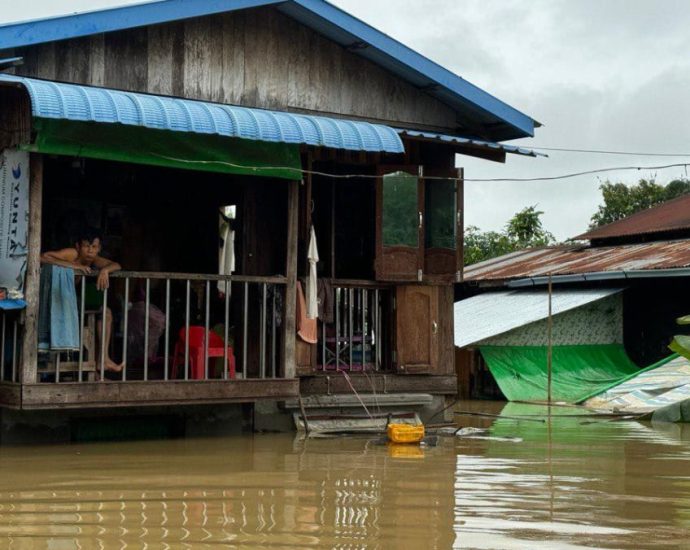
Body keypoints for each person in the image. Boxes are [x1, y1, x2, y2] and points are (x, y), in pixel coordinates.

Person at [40, 229, 123, 372]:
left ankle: (103, 359)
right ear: (78, 247)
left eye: (94, 247)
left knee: (106, 313)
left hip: (71, 301)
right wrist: (75, 266)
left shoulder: (94, 259)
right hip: (56, 299)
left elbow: (116, 265)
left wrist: (105, 271)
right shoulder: (72, 254)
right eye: (86, 246)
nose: (90, 250)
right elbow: (42, 257)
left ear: (99, 249)